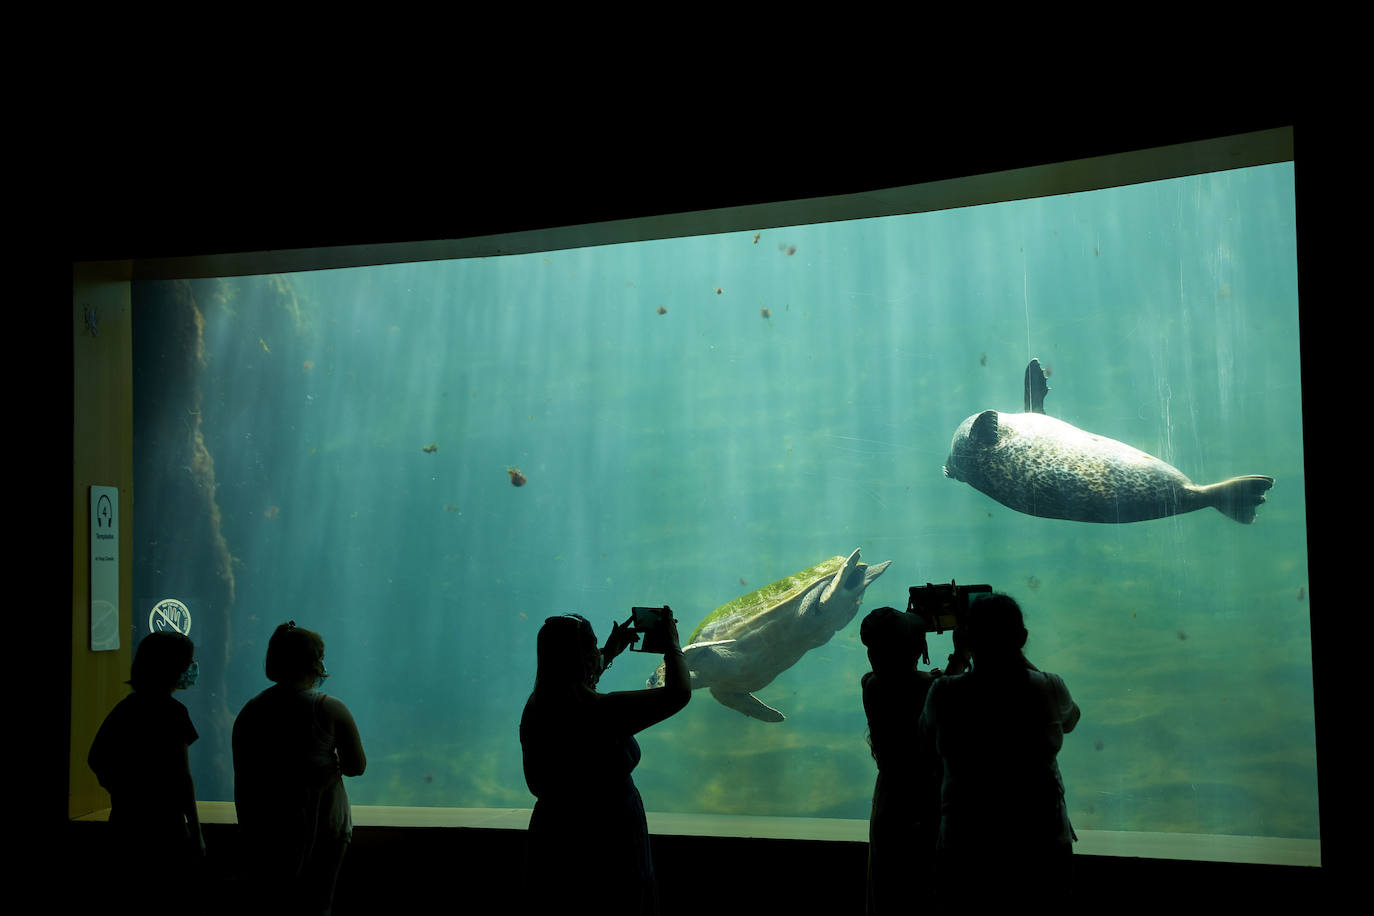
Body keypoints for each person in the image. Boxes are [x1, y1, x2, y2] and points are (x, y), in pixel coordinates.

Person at [520, 610, 691, 916]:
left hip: (554, 838)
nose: (596, 653)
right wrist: (672, 646)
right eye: (592, 647)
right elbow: (677, 694)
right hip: (611, 843)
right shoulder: (604, 711)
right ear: (581, 656)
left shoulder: (538, 706)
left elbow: (570, 683)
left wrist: (609, 652)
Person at [919, 593, 1080, 899]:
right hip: (1041, 839)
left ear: (967, 636)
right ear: (1022, 637)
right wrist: (1014, 652)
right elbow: (1071, 719)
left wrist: (961, 657)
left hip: (966, 840)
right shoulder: (1048, 686)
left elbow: (923, 740)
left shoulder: (944, 692)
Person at [232, 621, 366, 916]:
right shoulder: (331, 708)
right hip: (324, 822)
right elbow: (356, 766)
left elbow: (242, 776)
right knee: (319, 904)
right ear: (315, 662)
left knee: (272, 904)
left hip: (267, 824)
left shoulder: (251, 710)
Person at [88, 630, 205, 907]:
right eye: (189, 661)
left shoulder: (126, 708)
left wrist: (122, 790)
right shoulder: (174, 712)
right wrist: (196, 831)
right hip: (166, 829)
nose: (193, 667)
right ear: (172, 667)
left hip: (125, 824)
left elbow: (95, 757)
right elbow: (182, 777)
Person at [859, 607, 945, 915]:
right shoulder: (933, 689)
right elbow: (946, 691)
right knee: (926, 892)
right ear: (913, 649)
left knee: (887, 893)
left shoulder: (870, 684)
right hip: (926, 800)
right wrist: (959, 658)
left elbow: (899, 679)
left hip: (890, 801)